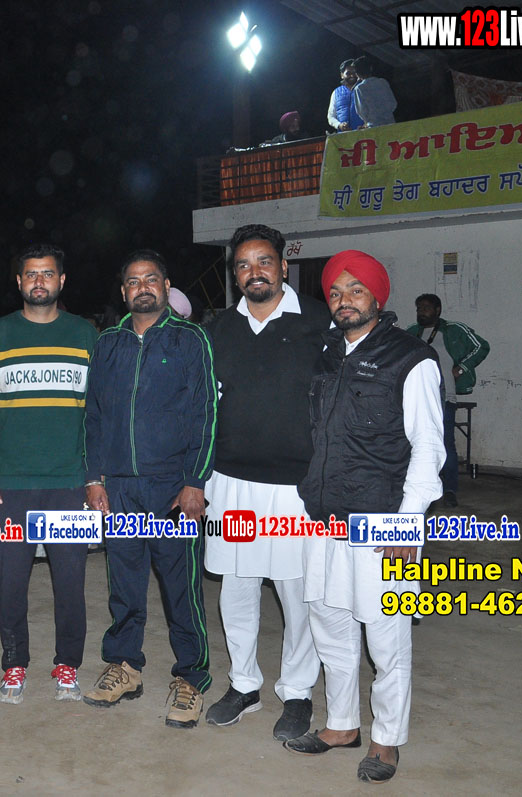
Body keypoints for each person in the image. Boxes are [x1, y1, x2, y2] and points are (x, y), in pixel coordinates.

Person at [289, 250, 444, 785]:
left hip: (382, 520)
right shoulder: (327, 354)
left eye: (356, 290)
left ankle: (386, 739)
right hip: (324, 515)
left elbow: (429, 447)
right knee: (329, 623)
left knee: (385, 638)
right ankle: (341, 725)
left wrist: (409, 522)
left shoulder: (412, 359)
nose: (344, 300)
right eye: (335, 292)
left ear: (378, 296)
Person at [202, 225, 330, 741]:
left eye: (264, 262)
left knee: (298, 592)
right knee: (237, 586)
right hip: (232, 481)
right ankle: (244, 683)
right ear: (235, 274)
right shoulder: (218, 329)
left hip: (297, 486)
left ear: (283, 266)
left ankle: (297, 691)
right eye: (243, 265)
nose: (254, 272)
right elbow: (206, 404)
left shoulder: (319, 321)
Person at [81, 250, 217, 728]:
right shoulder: (108, 343)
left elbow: (205, 413)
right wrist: (94, 478)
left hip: (172, 489)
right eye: (134, 281)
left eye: (151, 279)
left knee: (181, 588)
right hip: (120, 488)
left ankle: (191, 678)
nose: (143, 287)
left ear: (166, 285)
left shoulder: (190, 338)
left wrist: (195, 481)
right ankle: (124, 665)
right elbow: (94, 416)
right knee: (124, 584)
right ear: (124, 292)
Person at [0, 243, 97, 704]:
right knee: (11, 583)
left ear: (61, 281)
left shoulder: (84, 333)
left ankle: (68, 664)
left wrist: (93, 477)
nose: (38, 281)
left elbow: (97, 413)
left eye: (47, 274)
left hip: (69, 484)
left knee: (71, 583)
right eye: (30, 274)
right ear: (19, 282)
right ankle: (14, 663)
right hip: (10, 485)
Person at [407, 293, 490, 507]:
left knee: (446, 444)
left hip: (444, 398)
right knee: (416, 444)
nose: (421, 312)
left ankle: (450, 489)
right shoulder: (412, 333)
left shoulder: (453, 329)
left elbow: (482, 347)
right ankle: (422, 488)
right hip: (417, 400)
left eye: (426, 308)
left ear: (438, 310)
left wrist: (461, 368)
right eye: (419, 308)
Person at [352, 56, 397, 127]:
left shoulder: (359, 88)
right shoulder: (383, 82)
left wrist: (368, 120)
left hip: (373, 125)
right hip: (390, 122)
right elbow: (393, 103)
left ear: (357, 74)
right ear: (371, 68)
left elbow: (361, 111)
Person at [327, 59, 362, 132]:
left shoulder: (364, 89)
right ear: (342, 75)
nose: (352, 75)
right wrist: (339, 125)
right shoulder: (336, 93)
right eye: (348, 73)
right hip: (343, 135)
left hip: (364, 133)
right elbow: (331, 116)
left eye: (354, 72)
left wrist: (367, 124)